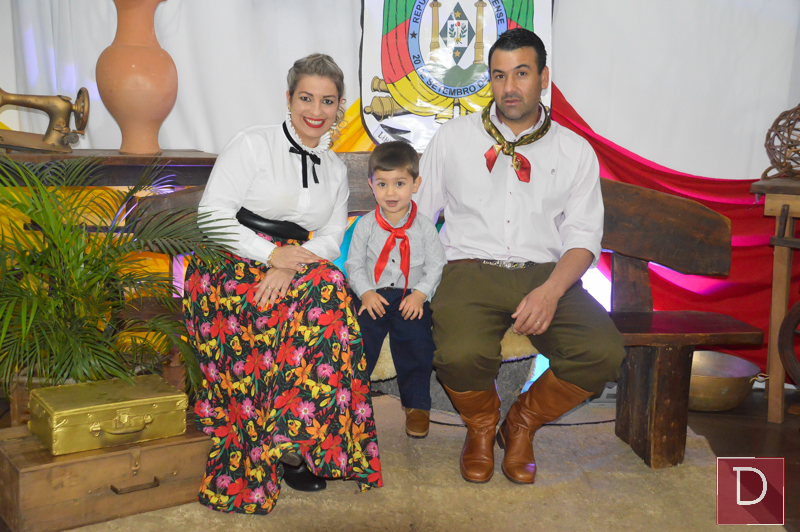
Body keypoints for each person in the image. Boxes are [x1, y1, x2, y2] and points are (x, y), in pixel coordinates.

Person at [415, 28, 626, 485]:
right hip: (468, 269)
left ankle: (521, 423)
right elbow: (419, 217)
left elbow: (584, 236)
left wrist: (551, 292)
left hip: (546, 274)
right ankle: (481, 425)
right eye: (499, 75)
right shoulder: (452, 138)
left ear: (544, 78)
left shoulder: (575, 151)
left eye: (522, 74)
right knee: (457, 354)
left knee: (603, 352)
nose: (509, 87)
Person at [183, 53, 383, 515]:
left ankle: (294, 439)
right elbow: (211, 216)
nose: (316, 110)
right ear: (289, 98)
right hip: (230, 264)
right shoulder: (253, 143)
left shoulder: (335, 169)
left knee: (328, 287)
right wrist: (270, 255)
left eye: (328, 101)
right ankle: (291, 442)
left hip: (293, 265)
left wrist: (290, 262)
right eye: (306, 98)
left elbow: (331, 236)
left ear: (339, 106)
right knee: (324, 292)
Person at [344, 141, 447, 439]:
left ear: (416, 184)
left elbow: (436, 265)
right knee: (358, 341)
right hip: (373, 296)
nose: (391, 193)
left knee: (417, 343)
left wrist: (420, 294)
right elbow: (354, 263)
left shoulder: (424, 227)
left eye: (399, 183)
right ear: (371, 185)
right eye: (382, 184)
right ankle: (350, 401)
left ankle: (416, 406)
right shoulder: (365, 225)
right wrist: (365, 293)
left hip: (409, 297)